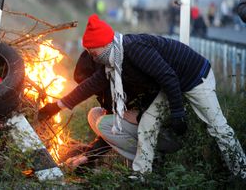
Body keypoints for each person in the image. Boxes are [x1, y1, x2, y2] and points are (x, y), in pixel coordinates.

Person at [38, 14, 246, 178]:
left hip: (194, 76)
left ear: (104, 45)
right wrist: (56, 106)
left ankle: (241, 172)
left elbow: (168, 76)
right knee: (147, 123)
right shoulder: (112, 61)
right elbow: (89, 86)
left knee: (217, 127)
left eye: (93, 52)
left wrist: (178, 113)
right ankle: (142, 175)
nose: (92, 56)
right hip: (170, 82)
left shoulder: (133, 50)